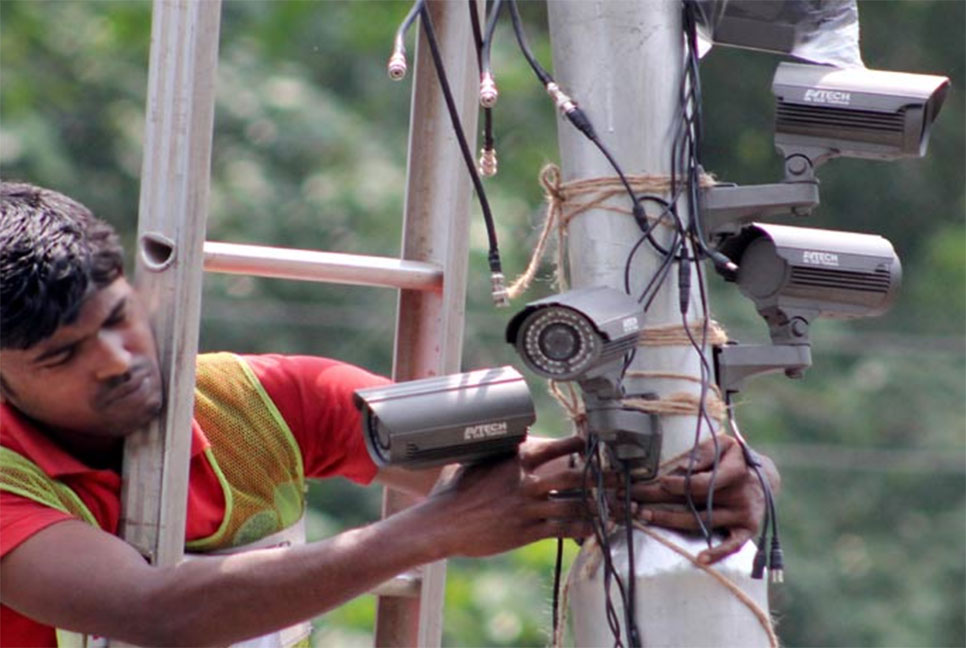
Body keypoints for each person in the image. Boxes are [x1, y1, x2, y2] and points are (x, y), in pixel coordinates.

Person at [0, 181, 778, 647]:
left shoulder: (263, 397)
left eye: (115, 318)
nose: (114, 359)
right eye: (61, 358)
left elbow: (539, 473)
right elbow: (155, 615)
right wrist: (433, 528)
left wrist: (714, 475)